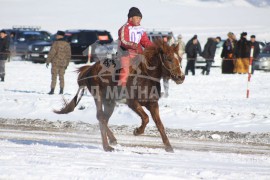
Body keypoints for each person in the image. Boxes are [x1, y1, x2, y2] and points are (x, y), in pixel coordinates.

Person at [118, 7, 152, 87]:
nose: (139, 20)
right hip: (125, 53)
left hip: (138, 54)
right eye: (137, 17)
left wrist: (154, 47)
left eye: (140, 18)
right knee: (126, 70)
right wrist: (132, 44)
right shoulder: (125, 28)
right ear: (130, 18)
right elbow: (123, 41)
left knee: (149, 68)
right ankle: (122, 90)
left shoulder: (140, 30)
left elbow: (145, 41)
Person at [46, 30, 71, 95]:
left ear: (60, 36)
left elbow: (52, 53)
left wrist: (48, 61)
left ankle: (52, 90)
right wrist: (67, 64)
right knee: (61, 77)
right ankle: (61, 90)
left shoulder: (55, 43)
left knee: (54, 77)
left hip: (55, 63)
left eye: (57, 35)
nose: (56, 36)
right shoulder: (67, 44)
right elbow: (68, 55)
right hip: (63, 63)